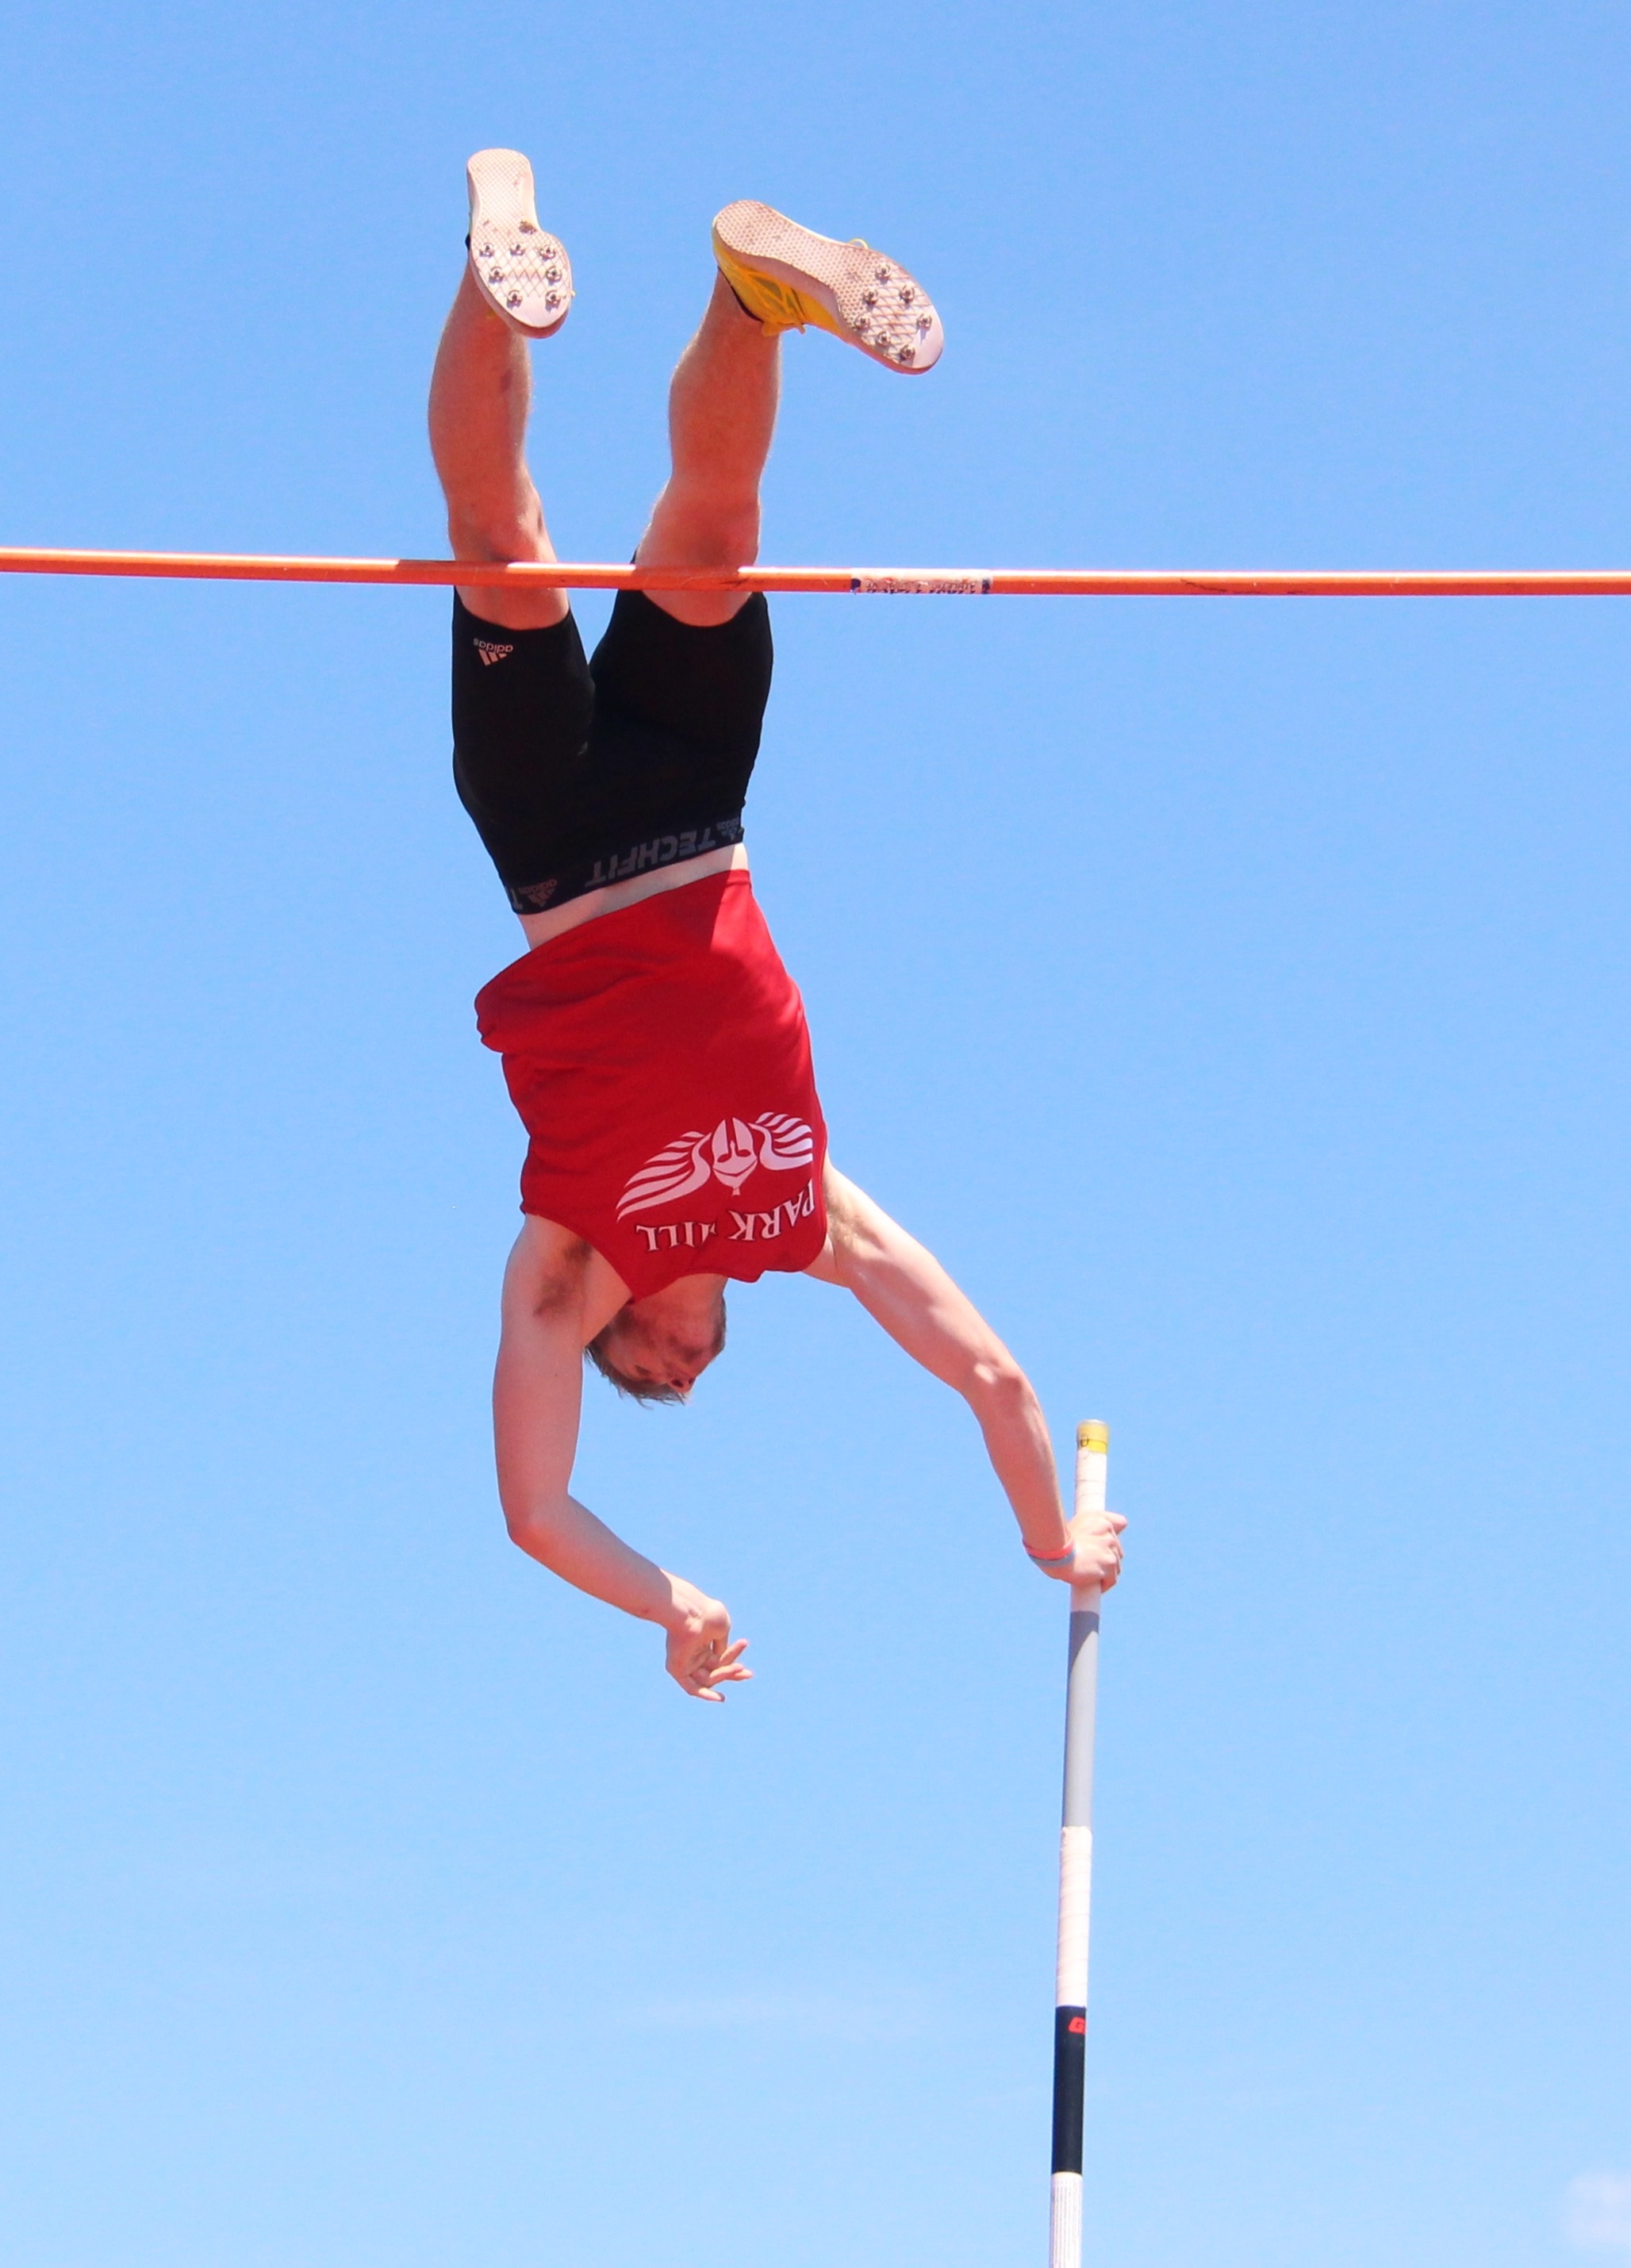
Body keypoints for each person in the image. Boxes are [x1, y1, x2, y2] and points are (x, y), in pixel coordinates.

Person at [430, 150, 1125, 1702]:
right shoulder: (798, 1215)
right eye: (691, 1369)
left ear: (620, 1338)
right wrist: (1039, 1540)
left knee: (501, 535)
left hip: (557, 860)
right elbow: (986, 1370)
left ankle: (492, 282)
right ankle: (750, 293)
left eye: (654, 1375)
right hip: (696, 825)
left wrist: (666, 1599)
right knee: (713, 524)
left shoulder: (564, 1267)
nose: (687, 1368)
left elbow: (533, 1508)